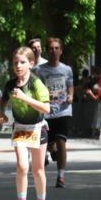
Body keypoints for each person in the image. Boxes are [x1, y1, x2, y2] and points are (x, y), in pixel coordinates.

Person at [0, 47, 51, 200]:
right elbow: (2, 103)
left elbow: (46, 108)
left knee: (38, 170)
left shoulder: (36, 83)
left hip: (37, 127)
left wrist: (24, 98)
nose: (18, 66)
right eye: (15, 63)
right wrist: (0, 114)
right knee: (21, 165)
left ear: (31, 64)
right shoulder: (11, 85)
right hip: (20, 127)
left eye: (22, 62)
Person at [38, 38, 74, 188]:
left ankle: (61, 176)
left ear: (61, 50)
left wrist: (71, 95)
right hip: (46, 111)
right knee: (48, 144)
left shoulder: (66, 69)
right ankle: (51, 150)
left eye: (56, 48)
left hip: (63, 110)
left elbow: (70, 85)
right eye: (51, 48)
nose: (54, 51)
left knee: (61, 142)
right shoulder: (39, 70)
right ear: (47, 50)